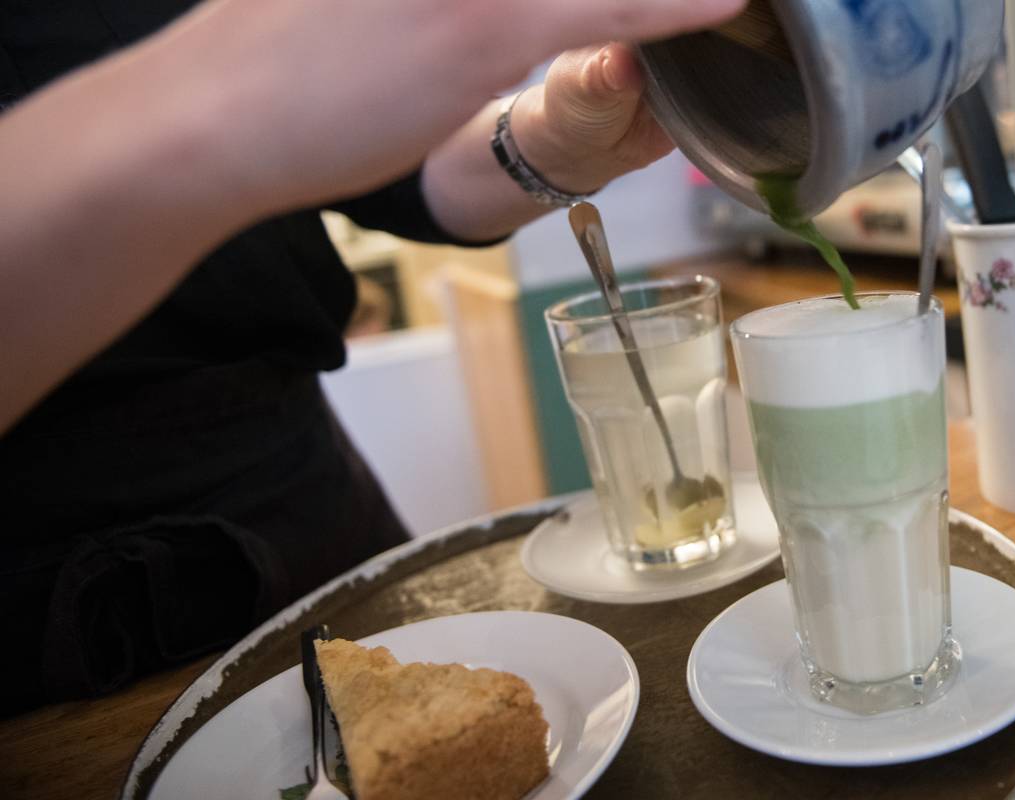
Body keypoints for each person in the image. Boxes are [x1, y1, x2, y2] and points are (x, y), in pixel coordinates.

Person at [0, 0, 748, 712]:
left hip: (308, 512)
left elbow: (394, 179)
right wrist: (224, 94)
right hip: (41, 645)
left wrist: (549, 138)